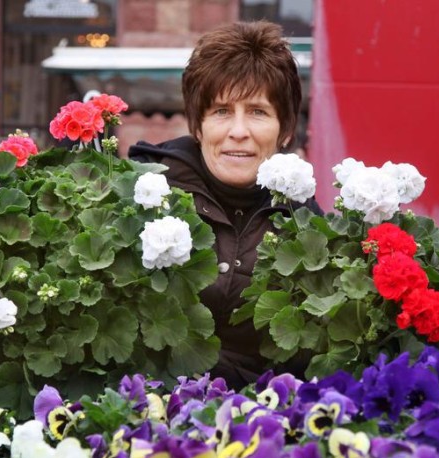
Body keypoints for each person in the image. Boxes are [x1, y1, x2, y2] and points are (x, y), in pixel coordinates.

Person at [129, 21, 322, 389]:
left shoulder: (309, 227)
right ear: (198, 126)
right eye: (221, 111)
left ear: (285, 129)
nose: (238, 130)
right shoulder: (145, 194)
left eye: (257, 111)